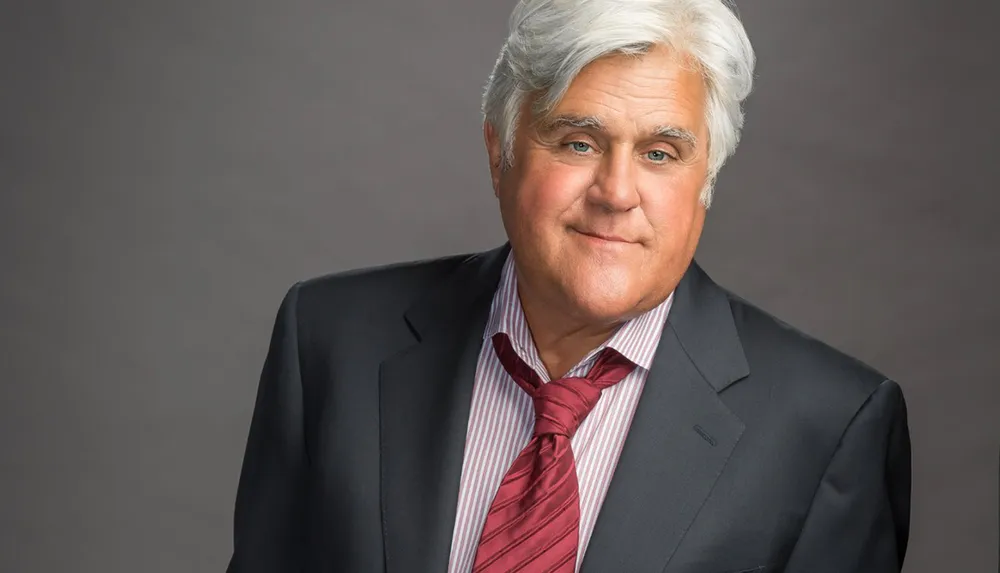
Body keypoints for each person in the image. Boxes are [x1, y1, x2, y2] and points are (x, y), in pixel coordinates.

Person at [226, 0, 911, 571]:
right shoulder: (328, 344)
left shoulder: (828, 427)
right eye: (579, 141)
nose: (616, 192)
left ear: (705, 181)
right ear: (501, 152)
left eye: (660, 154)